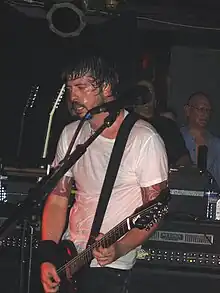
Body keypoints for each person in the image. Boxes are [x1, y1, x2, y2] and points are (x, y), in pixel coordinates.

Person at [40, 54, 168, 293]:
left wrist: (119, 248)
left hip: (113, 266)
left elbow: (155, 209)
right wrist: (48, 254)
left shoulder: (143, 139)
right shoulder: (71, 134)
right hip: (68, 257)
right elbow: (58, 198)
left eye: (81, 87)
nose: (74, 96)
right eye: (70, 88)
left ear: (106, 87)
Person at [133, 80, 191, 167]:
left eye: (149, 94)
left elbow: (184, 158)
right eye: (141, 93)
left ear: (155, 99)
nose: (145, 98)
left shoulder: (168, 126)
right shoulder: (126, 125)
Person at [181, 92, 220, 187]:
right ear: (187, 110)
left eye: (208, 111)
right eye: (201, 109)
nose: (205, 114)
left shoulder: (216, 144)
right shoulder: (177, 138)